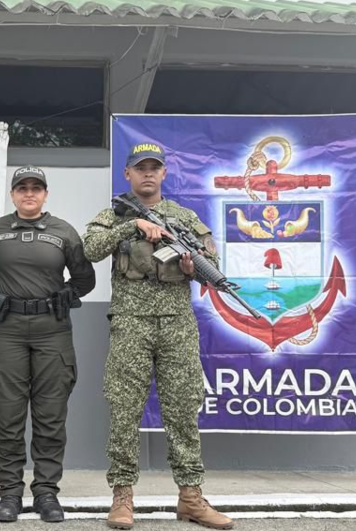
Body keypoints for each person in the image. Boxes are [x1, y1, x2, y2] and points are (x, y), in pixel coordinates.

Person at [82, 143, 233, 530]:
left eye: (155, 168)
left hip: (177, 323)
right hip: (131, 322)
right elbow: (90, 249)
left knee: (183, 409)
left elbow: (210, 267)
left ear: (164, 174)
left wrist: (191, 266)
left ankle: (191, 496)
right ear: (127, 175)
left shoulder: (183, 217)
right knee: (124, 409)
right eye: (140, 168)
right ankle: (122, 496)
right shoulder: (113, 214)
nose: (148, 173)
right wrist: (133, 226)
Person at [0, 166, 95, 523]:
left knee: (50, 416)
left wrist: (65, 294)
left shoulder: (63, 232)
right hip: (6, 330)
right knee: (7, 416)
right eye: (22, 188)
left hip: (52, 330)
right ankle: (9, 494)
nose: (29, 194)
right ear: (12, 194)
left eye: (35, 188)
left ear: (45, 194)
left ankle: (46, 493)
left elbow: (85, 277)